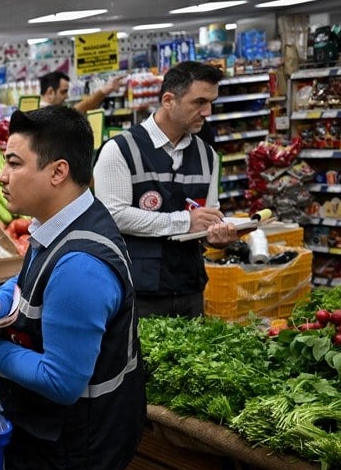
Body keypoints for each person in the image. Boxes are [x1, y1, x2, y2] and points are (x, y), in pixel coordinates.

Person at [0, 106, 144, 470]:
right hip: (55, 438)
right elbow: (31, 282)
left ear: (58, 172)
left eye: (14, 163)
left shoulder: (80, 264)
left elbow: (61, 381)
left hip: (70, 451)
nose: (1, 175)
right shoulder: (59, 225)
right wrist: (1, 300)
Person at [93, 60, 239, 319]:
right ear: (169, 100)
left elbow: (205, 216)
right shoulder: (120, 150)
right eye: (199, 102)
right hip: (138, 292)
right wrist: (184, 221)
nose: (207, 112)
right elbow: (113, 215)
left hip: (189, 288)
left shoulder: (208, 156)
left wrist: (215, 233)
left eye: (211, 103)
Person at [39, 70, 127, 112]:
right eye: (63, 92)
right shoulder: (42, 115)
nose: (67, 96)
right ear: (50, 92)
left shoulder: (53, 112)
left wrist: (107, 88)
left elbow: (83, 106)